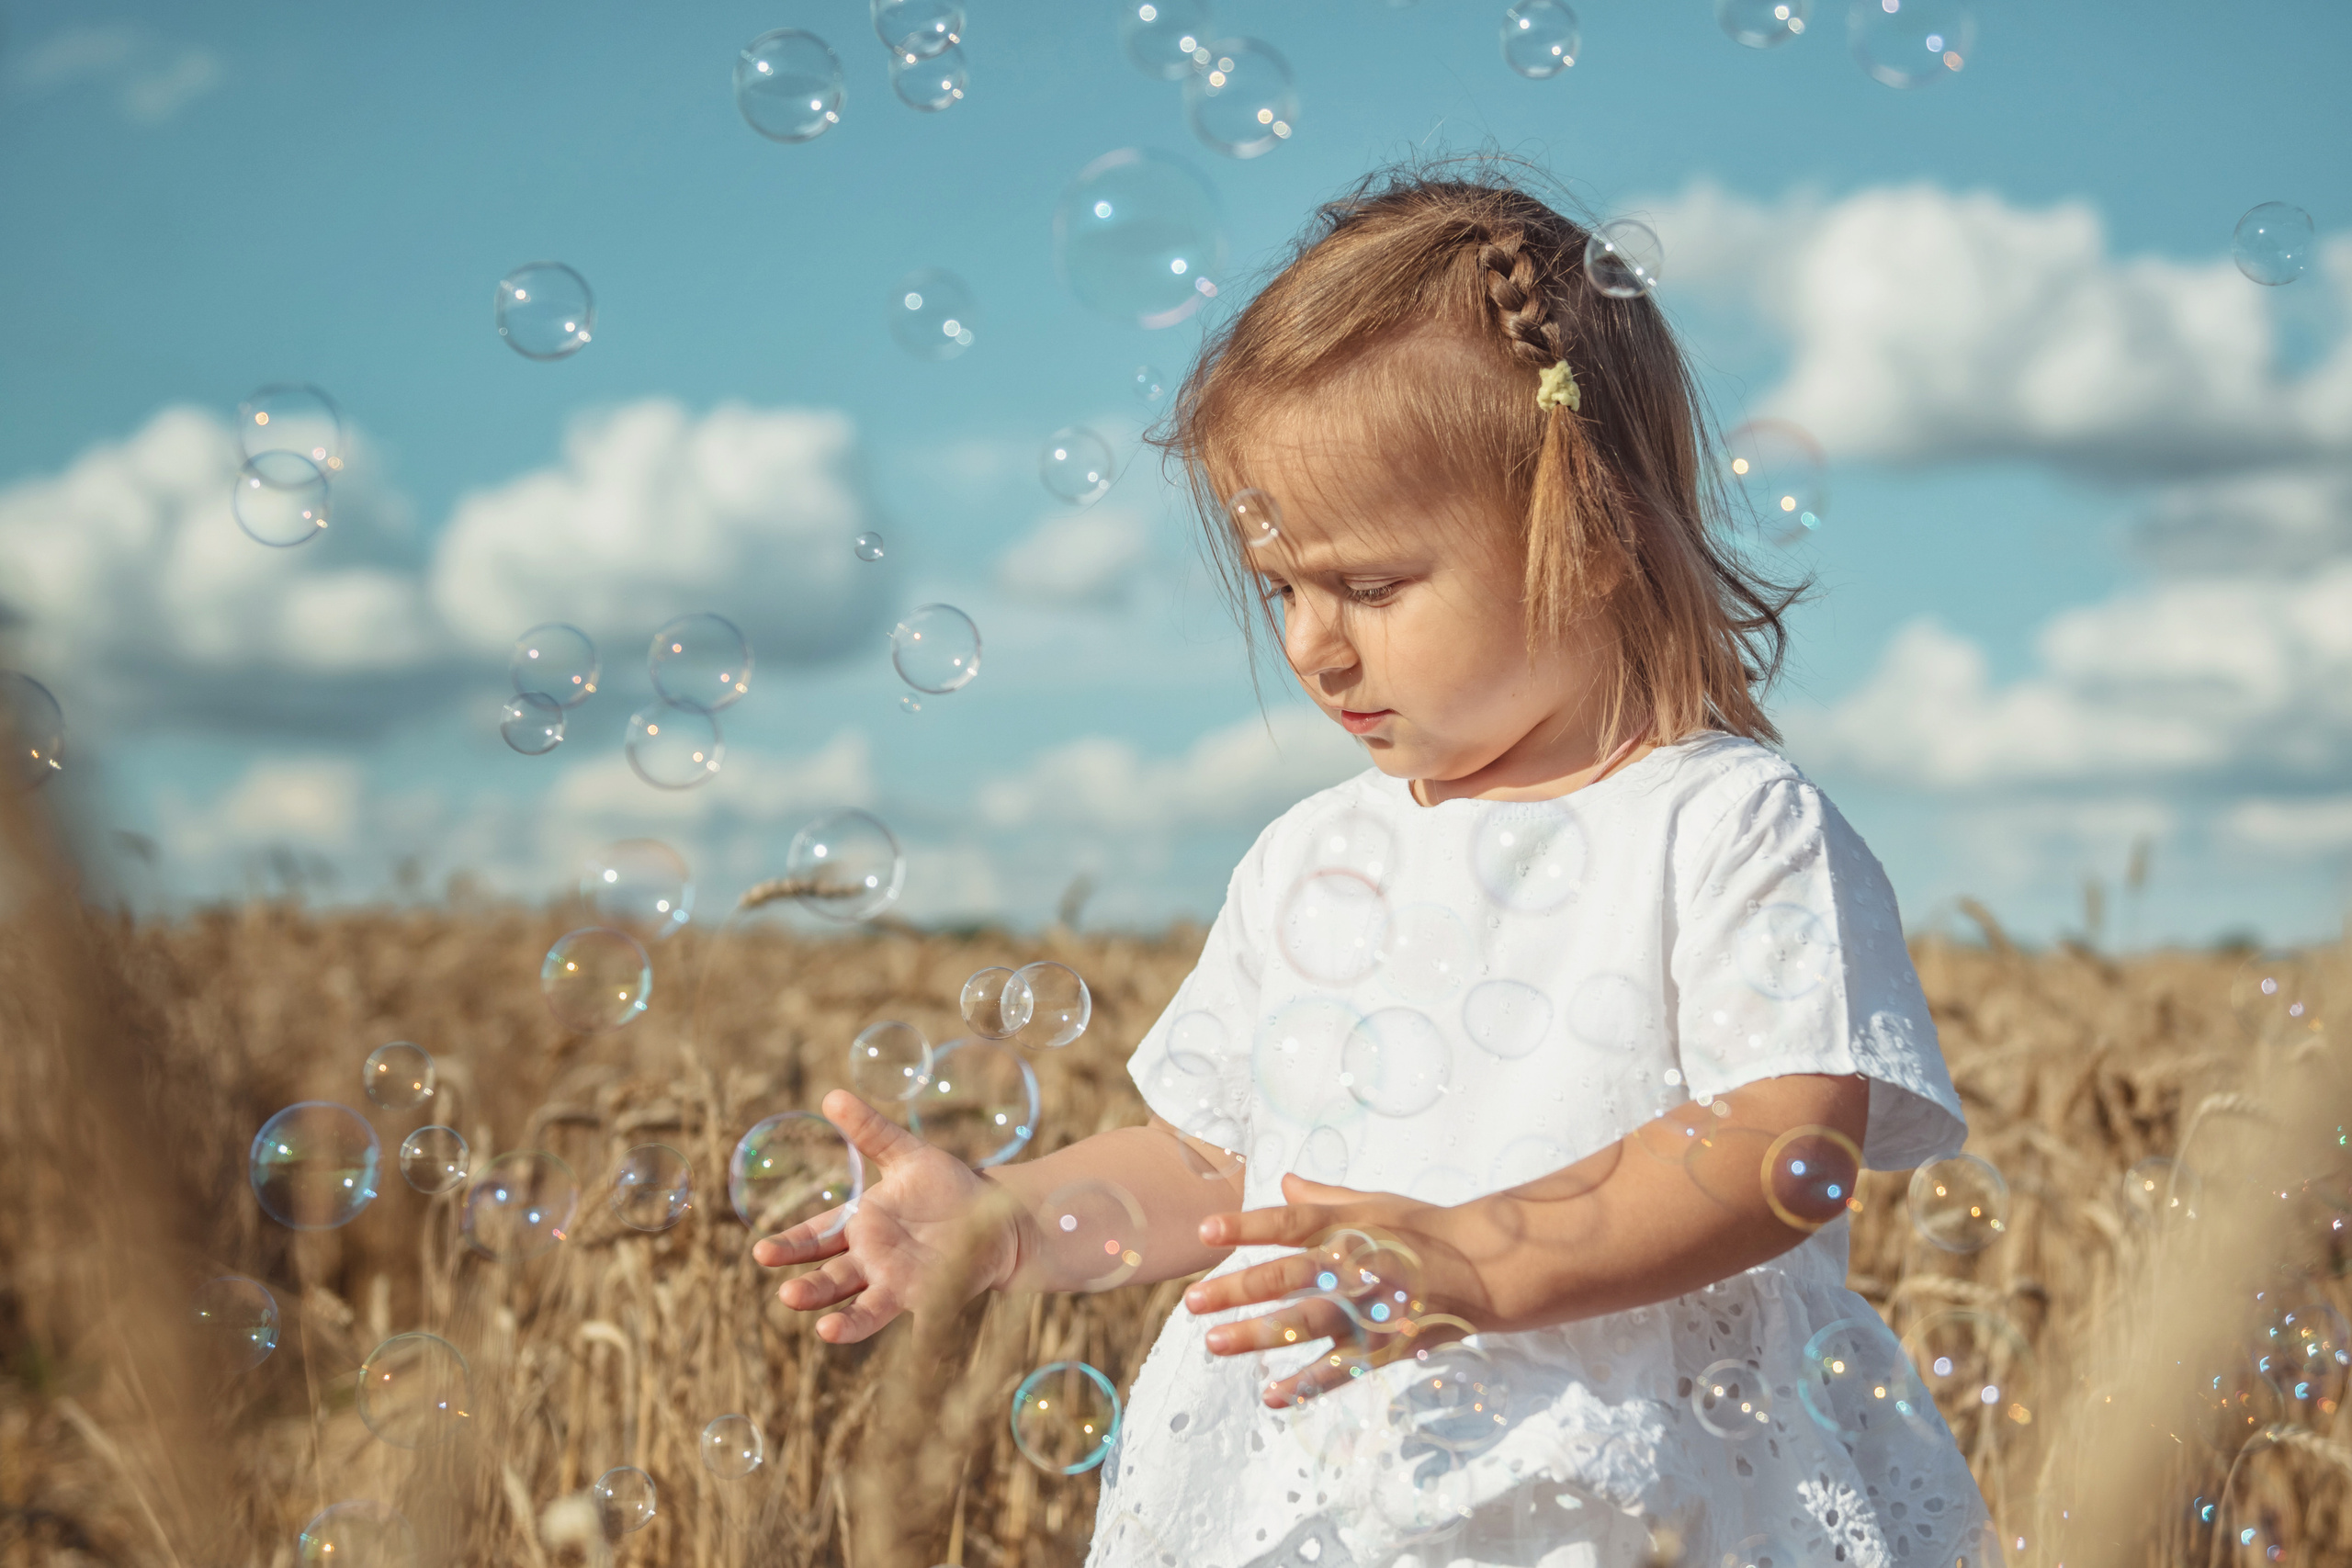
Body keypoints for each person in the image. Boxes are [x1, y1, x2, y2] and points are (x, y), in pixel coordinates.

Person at [753, 165, 1989, 1567]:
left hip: (1637, 1472)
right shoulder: (1310, 857)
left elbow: (1785, 1145)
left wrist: (1472, 1262)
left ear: (1582, 534)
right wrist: (1008, 1224)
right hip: (1323, 1475)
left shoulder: (1726, 825)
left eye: (1373, 588)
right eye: (1282, 587)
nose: (1310, 647)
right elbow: (1216, 1161)